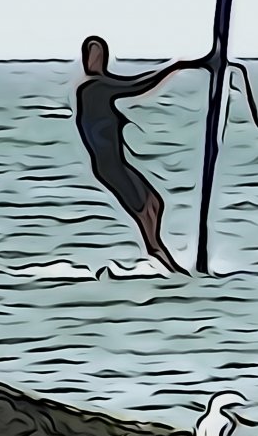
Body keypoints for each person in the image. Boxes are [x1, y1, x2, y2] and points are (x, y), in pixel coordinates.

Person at [74, 35, 195, 274]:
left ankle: (157, 251)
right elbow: (135, 86)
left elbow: (130, 85)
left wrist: (173, 68)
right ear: (87, 60)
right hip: (109, 166)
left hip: (116, 163)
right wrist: (174, 67)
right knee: (143, 209)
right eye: (91, 54)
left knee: (155, 204)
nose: (95, 59)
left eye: (99, 54)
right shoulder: (92, 89)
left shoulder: (102, 85)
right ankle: (160, 255)